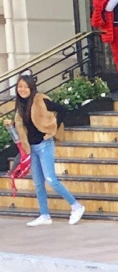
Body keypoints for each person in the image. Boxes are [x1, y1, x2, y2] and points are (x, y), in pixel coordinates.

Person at [12, 72, 85, 226]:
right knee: (38, 183)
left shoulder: (40, 100)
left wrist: (52, 130)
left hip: (44, 145)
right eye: (20, 87)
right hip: (31, 147)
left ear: (32, 87)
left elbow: (62, 110)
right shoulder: (20, 106)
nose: (22, 90)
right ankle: (44, 215)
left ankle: (76, 206)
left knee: (51, 179)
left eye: (26, 87)